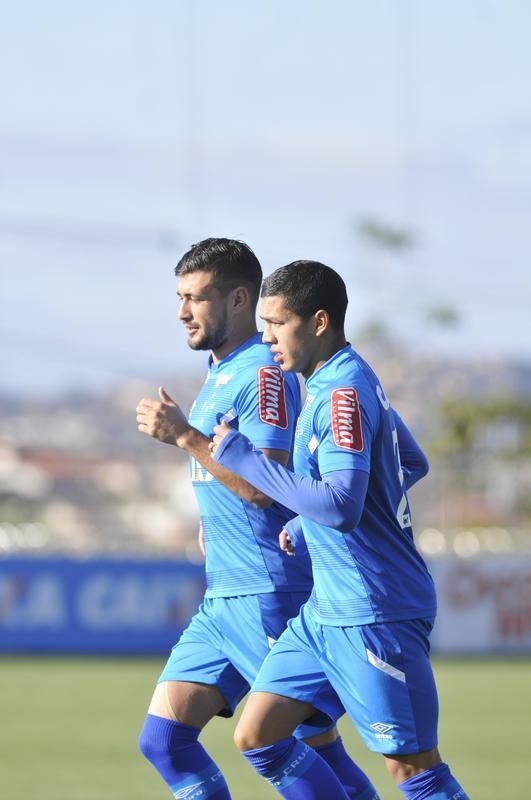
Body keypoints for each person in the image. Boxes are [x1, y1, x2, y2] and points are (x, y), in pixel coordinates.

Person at [204, 260, 471, 800]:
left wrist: (244, 459)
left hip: (375, 610)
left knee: (416, 772)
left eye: (278, 323)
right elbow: (408, 462)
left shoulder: (340, 393)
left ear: (319, 322)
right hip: (326, 613)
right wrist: (308, 517)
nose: (267, 336)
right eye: (264, 323)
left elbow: (344, 508)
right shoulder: (335, 380)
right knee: (258, 735)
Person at [136, 240, 379, 800]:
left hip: (270, 589)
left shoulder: (264, 375)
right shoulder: (220, 371)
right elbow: (227, 481)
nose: (182, 312)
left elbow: (261, 487)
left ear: (239, 298)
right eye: (180, 298)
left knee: (302, 745)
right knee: (164, 740)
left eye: (196, 298)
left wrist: (184, 438)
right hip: (226, 593)